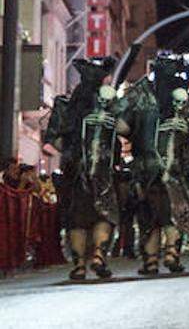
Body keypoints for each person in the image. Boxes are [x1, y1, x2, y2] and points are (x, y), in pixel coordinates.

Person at [43, 57, 121, 280]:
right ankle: (98, 256)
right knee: (104, 214)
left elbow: (53, 140)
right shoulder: (110, 106)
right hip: (103, 169)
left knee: (76, 219)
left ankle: (78, 266)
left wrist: (71, 150)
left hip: (75, 170)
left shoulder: (66, 105)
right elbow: (124, 129)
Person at [122, 53, 189, 275]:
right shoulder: (182, 98)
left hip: (147, 169)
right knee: (172, 214)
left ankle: (151, 261)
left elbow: (121, 126)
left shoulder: (141, 96)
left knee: (150, 218)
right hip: (174, 169)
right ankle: (171, 254)